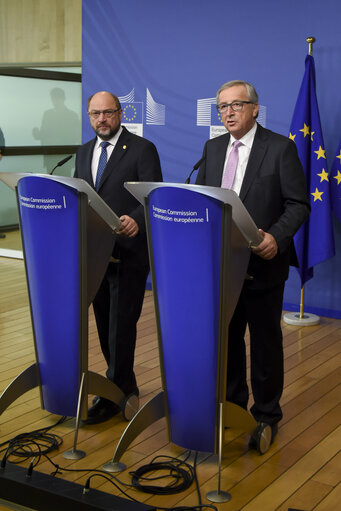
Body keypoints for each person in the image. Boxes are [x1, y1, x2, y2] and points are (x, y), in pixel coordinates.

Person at [196, 80, 310, 445]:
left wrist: (276, 237)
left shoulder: (280, 148)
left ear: (255, 109)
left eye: (236, 105)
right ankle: (232, 407)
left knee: (264, 344)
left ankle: (266, 415)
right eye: (222, 107)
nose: (228, 112)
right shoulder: (212, 149)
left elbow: (298, 204)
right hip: (222, 266)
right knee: (227, 340)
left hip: (262, 265)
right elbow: (204, 199)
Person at [75, 91, 162, 424]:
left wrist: (136, 220)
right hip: (95, 253)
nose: (101, 120)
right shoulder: (83, 152)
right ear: (89, 115)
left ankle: (115, 394)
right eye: (95, 114)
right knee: (103, 324)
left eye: (108, 113)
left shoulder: (142, 149)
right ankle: (124, 389)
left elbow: (151, 194)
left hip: (129, 254)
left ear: (121, 114)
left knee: (121, 327)